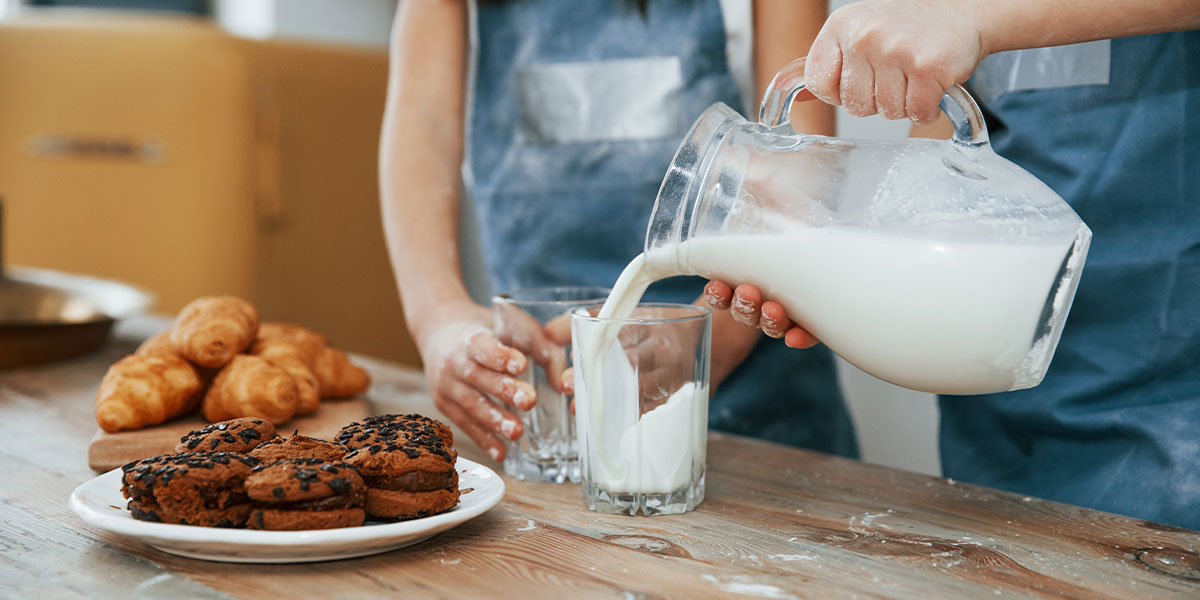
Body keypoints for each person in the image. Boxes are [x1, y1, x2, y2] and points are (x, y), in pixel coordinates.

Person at [705, 0, 1200, 530]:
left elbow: (964, 29)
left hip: (1163, 373)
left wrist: (978, 18)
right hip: (989, 379)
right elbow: (950, 115)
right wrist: (852, 266)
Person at [380, 0, 859, 463]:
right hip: (549, 401)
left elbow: (800, 168)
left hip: (758, 393)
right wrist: (439, 317)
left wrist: (707, 346)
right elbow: (425, 125)